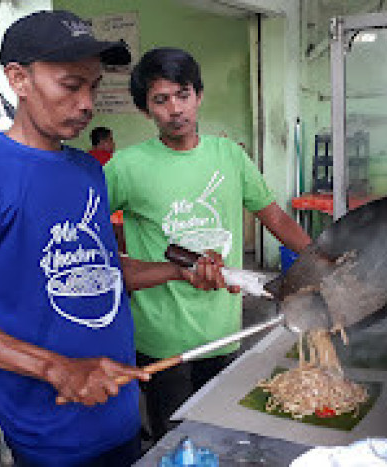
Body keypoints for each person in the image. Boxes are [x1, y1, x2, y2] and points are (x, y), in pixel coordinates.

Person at [0, 13, 233, 467]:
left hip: (118, 410)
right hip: (49, 434)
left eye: (94, 86)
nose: (87, 103)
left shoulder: (86, 171)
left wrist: (179, 271)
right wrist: (56, 368)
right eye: (70, 85)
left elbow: (101, 267)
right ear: (18, 79)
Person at [105, 47, 312, 441]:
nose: (175, 109)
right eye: (160, 100)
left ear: (198, 95)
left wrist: (320, 263)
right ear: (145, 110)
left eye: (183, 95)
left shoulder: (230, 156)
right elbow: (89, 233)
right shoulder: (126, 167)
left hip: (222, 330)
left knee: (219, 433)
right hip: (161, 337)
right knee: (174, 441)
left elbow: (277, 219)